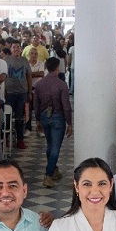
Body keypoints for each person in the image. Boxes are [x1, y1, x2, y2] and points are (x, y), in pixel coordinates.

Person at [31, 56, 72, 188]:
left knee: (50, 145)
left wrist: (38, 120)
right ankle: (48, 174)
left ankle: (54, 170)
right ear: (57, 68)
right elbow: (66, 105)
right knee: (55, 147)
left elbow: (36, 104)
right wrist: (69, 122)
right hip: (57, 116)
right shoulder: (61, 84)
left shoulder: (39, 84)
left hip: (44, 116)